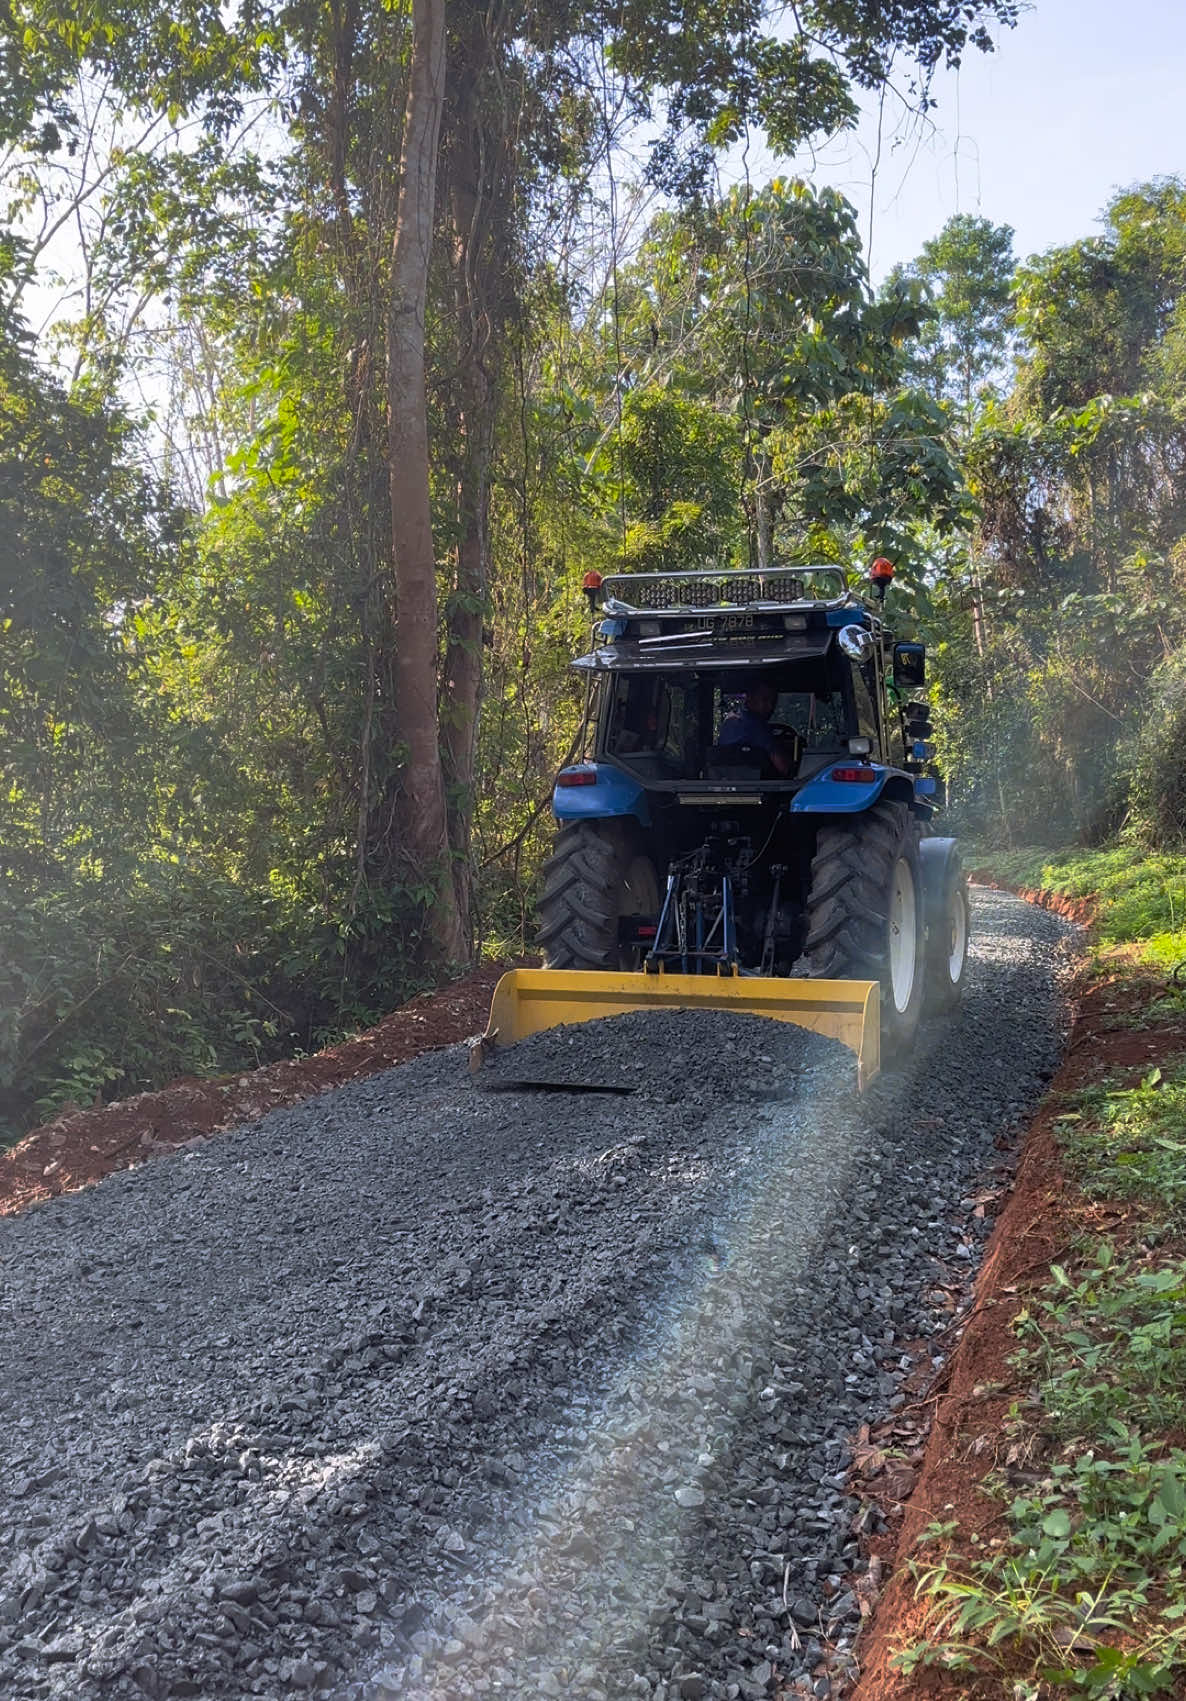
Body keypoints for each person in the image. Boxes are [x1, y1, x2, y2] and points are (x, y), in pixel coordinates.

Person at [718, 681, 795, 777]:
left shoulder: (729, 722)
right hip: (758, 787)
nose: (771, 707)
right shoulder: (758, 727)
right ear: (749, 699)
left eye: (774, 702)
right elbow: (784, 767)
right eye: (765, 700)